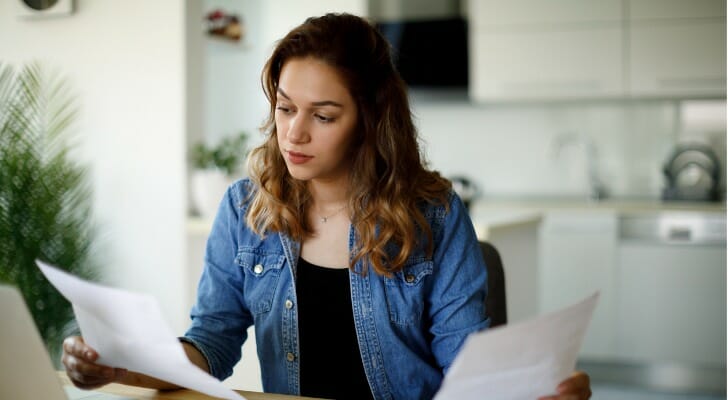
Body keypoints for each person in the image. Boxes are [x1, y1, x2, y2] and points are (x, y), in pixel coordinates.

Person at [62, 13, 592, 400]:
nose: (293, 133)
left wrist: (537, 391)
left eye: (324, 115)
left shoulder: (434, 214)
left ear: (370, 119)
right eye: (285, 107)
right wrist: (124, 366)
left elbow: (470, 373)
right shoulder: (246, 210)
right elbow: (211, 345)